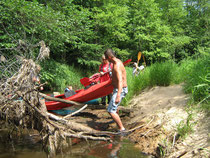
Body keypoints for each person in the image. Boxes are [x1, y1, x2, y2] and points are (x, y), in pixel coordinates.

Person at [104, 48, 128, 132]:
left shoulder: (117, 66)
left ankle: (122, 129)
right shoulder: (116, 61)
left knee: (111, 110)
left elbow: (120, 81)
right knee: (114, 108)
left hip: (120, 90)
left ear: (110, 57)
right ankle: (117, 122)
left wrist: (118, 94)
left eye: (106, 58)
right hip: (117, 89)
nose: (106, 60)